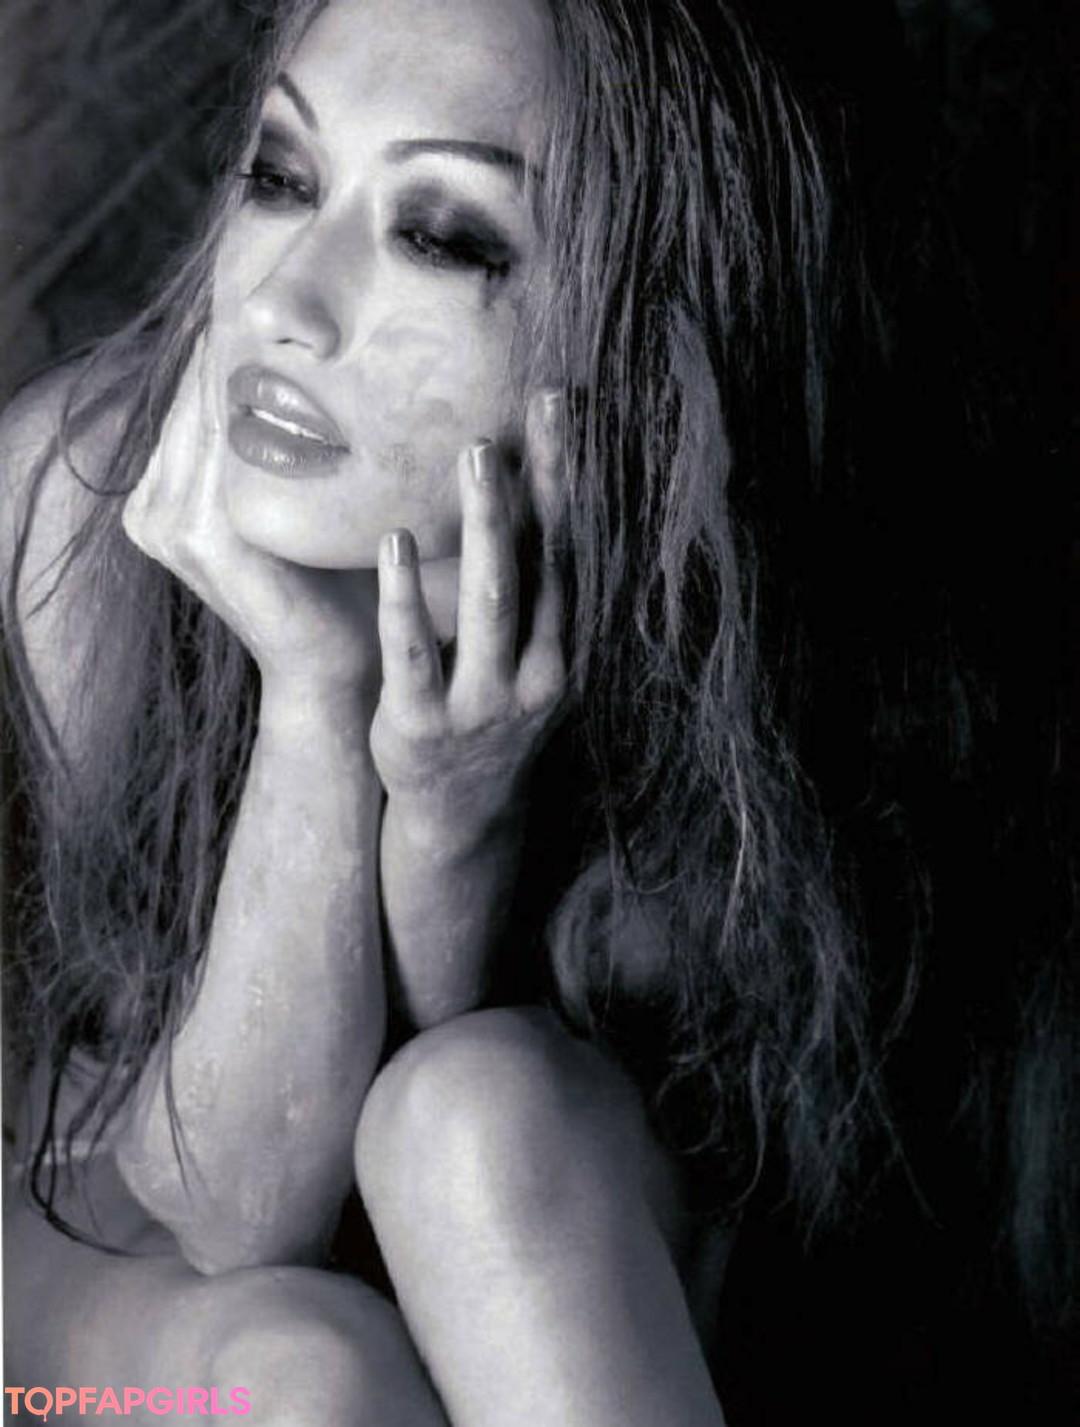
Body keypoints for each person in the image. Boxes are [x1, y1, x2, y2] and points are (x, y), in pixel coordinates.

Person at [3, 0, 1074, 1423]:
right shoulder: (79, 503)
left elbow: (458, 1194)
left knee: (477, 1114)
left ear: (655, 345)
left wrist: (454, 822)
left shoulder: (759, 660)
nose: (283, 304)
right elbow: (234, 1203)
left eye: (441, 236)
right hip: (82, 1257)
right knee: (301, 1378)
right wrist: (315, 702)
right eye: (281, 176)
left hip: (555, 1258)